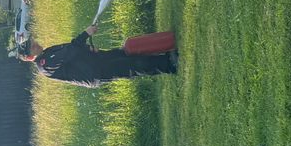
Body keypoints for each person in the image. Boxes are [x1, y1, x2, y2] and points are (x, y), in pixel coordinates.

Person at [20, 24, 177, 87]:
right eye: (32, 47)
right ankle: (169, 64)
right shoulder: (44, 64)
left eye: (32, 42)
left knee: (125, 54)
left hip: (94, 61)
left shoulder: (46, 52)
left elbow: (72, 50)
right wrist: (86, 34)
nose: (35, 44)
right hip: (95, 72)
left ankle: (164, 54)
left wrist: (88, 49)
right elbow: (70, 51)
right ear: (29, 57)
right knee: (131, 67)